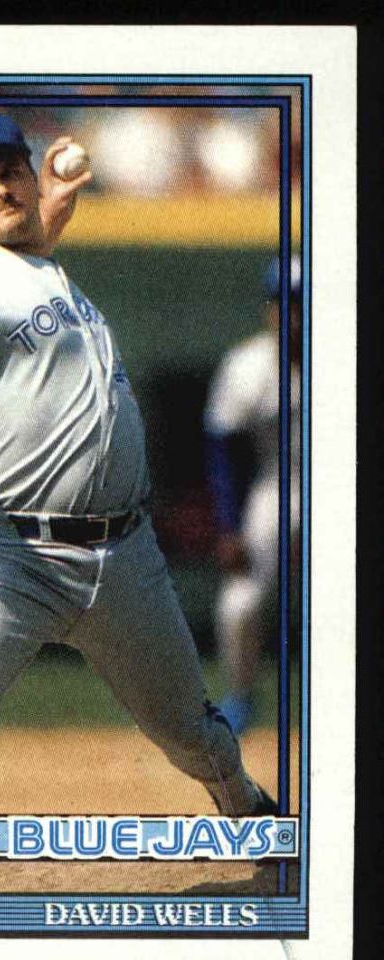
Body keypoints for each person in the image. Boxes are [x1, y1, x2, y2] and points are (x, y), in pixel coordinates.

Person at [0, 112, 277, 893]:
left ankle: (252, 818)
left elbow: (26, 244)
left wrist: (55, 197)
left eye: (9, 172)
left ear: (28, 183)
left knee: (188, 734)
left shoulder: (36, 264)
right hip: (10, 556)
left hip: (124, 558)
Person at [204, 256, 301, 736]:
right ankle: (241, 697)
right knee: (240, 601)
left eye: (301, 304)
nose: (292, 315)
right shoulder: (247, 365)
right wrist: (229, 526)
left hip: (342, 488)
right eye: (284, 303)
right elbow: (222, 451)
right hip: (275, 486)